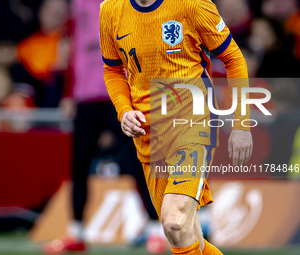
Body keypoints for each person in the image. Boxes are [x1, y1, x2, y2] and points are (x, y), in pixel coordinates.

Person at [99, 0, 253, 254]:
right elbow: (113, 69)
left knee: (174, 222)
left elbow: (234, 59)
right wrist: (124, 110)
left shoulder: (192, 4)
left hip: (192, 119)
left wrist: (241, 124)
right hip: (149, 133)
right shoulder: (110, 9)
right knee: (185, 235)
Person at [43, 0, 165, 254]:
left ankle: (156, 230)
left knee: (138, 160)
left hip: (121, 94)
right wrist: (68, 93)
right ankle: (76, 233)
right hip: (85, 97)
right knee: (78, 165)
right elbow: (74, 47)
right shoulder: (77, 5)